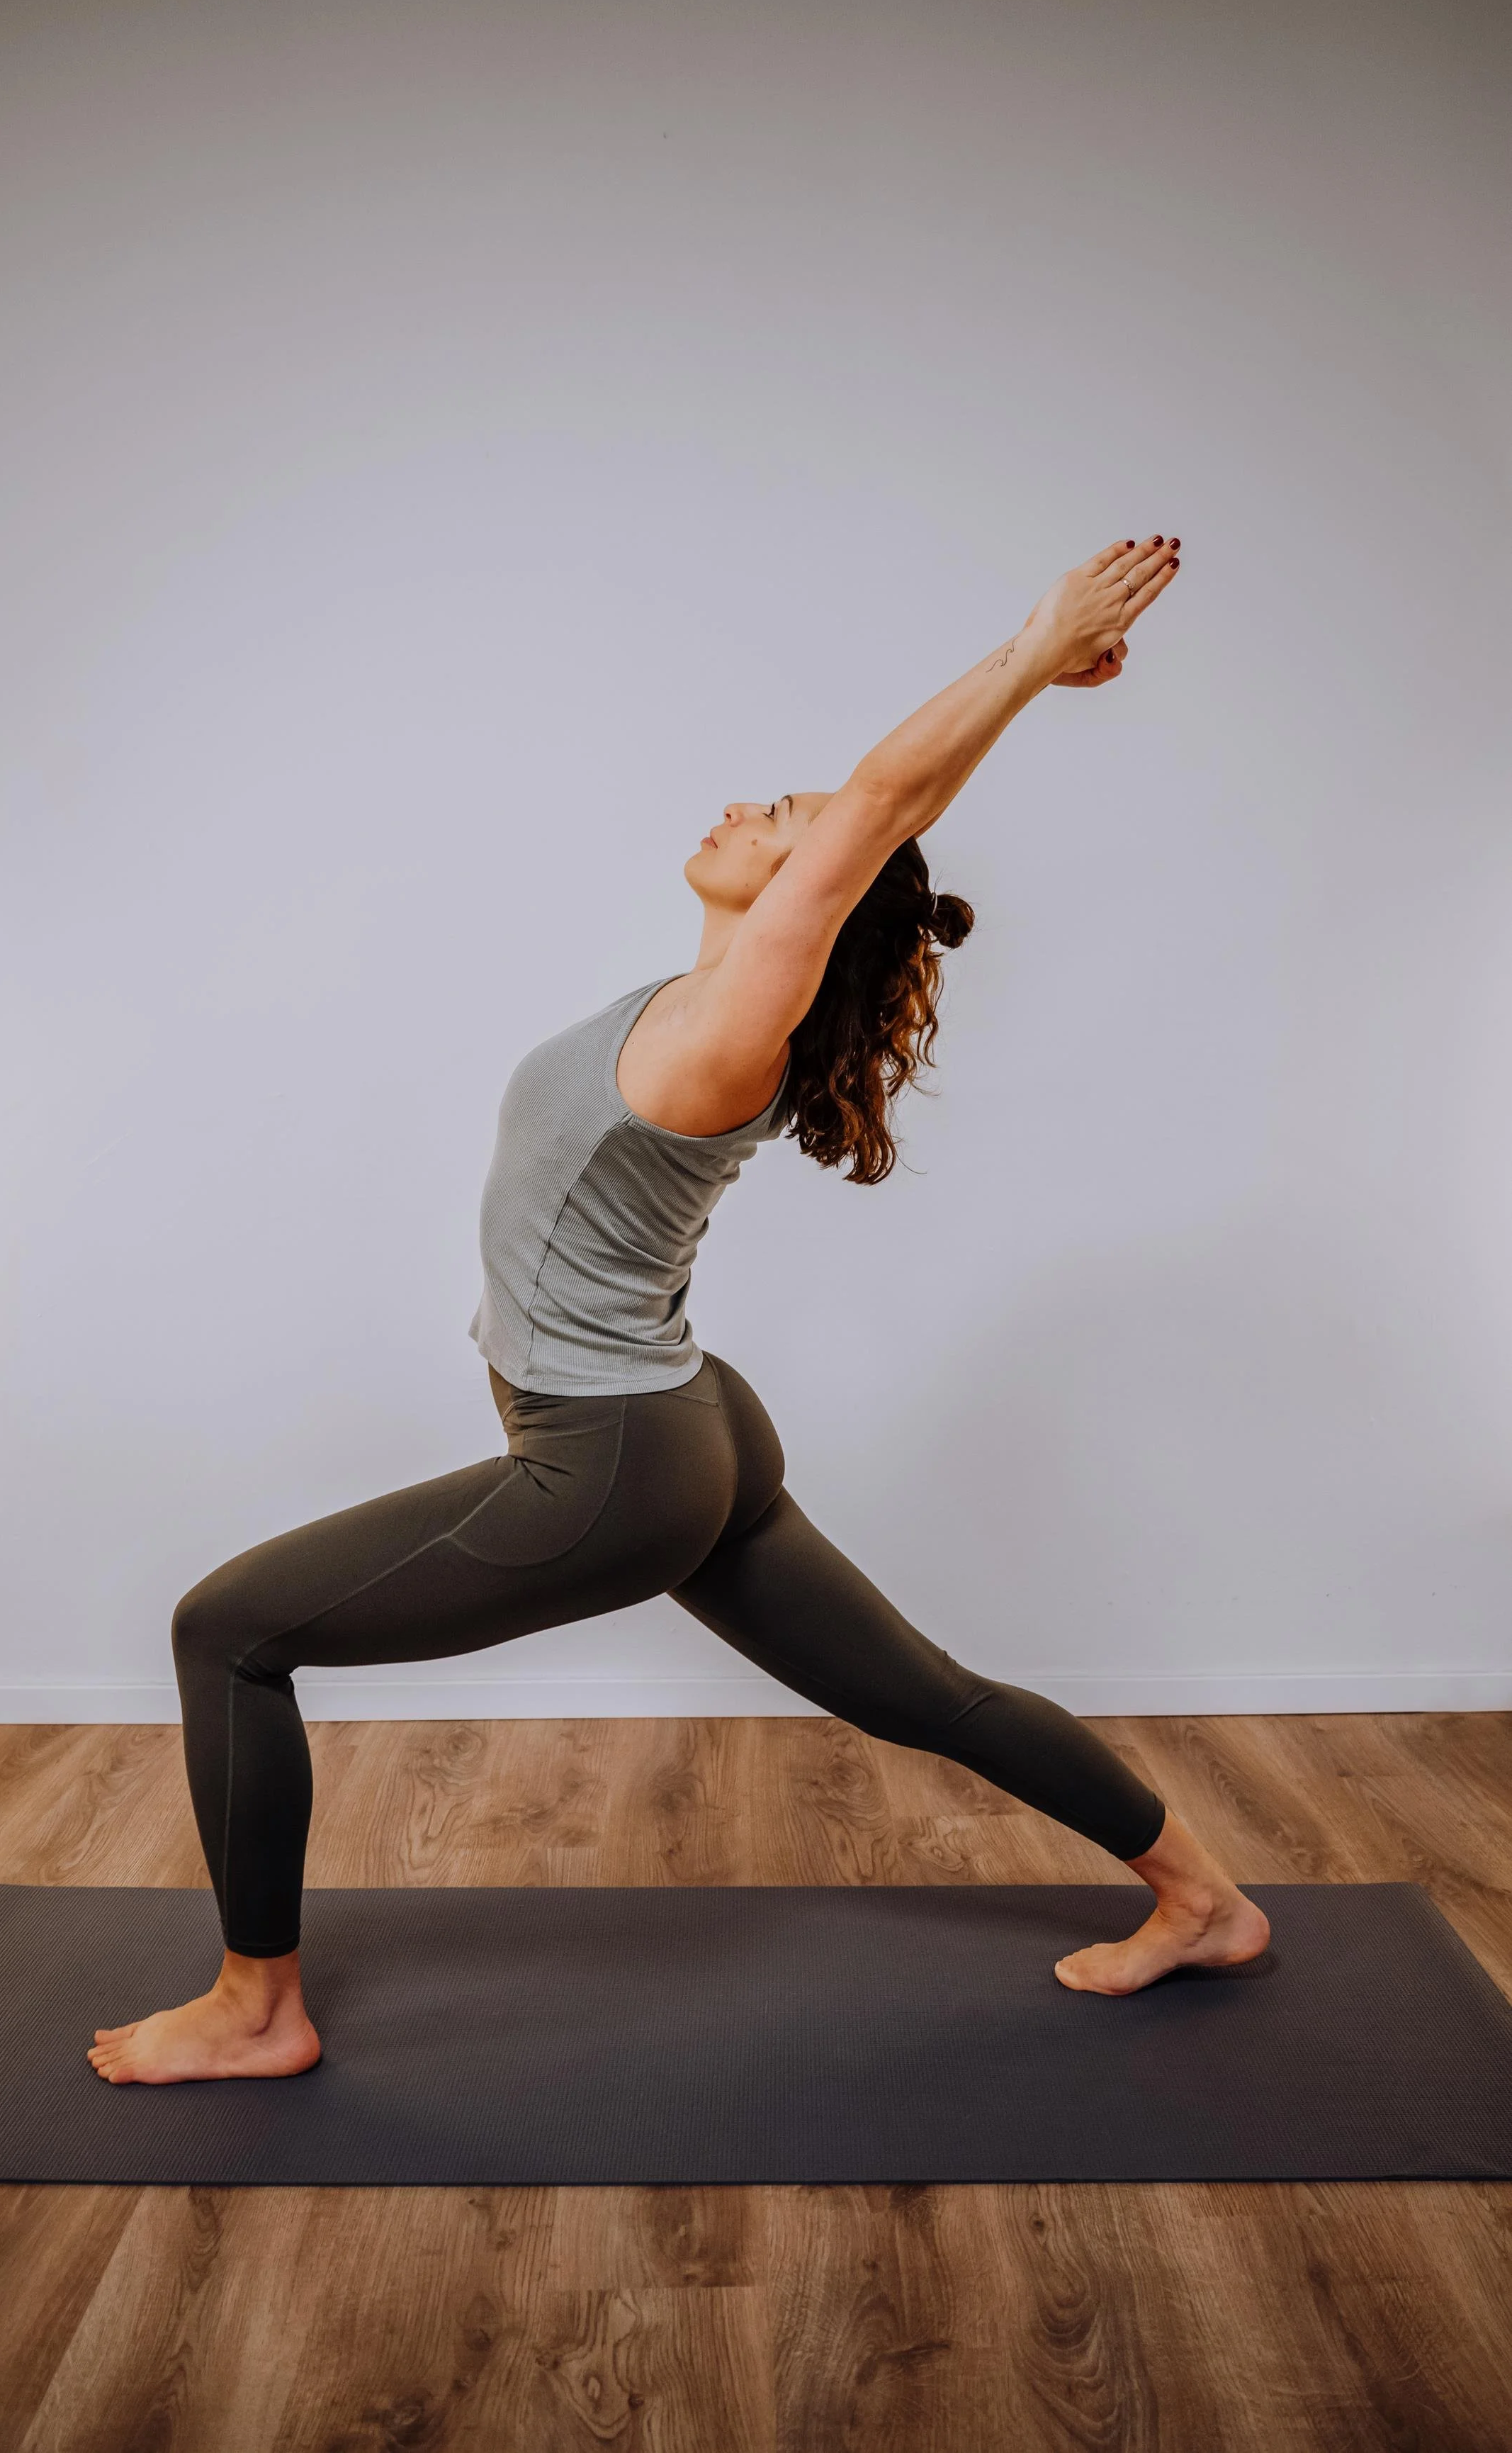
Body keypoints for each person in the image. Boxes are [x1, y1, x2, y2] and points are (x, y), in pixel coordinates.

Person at [89, 532, 1269, 2086]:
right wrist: (1010, 683)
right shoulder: (691, 998)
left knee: (225, 1631)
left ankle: (255, 2008)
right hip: (690, 1422)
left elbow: (871, 816)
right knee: (926, 1693)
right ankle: (1204, 1900)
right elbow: (879, 820)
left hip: (615, 1463)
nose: (748, 807)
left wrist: (1027, 655)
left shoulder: (728, 1030)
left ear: (806, 895)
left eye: (777, 817)